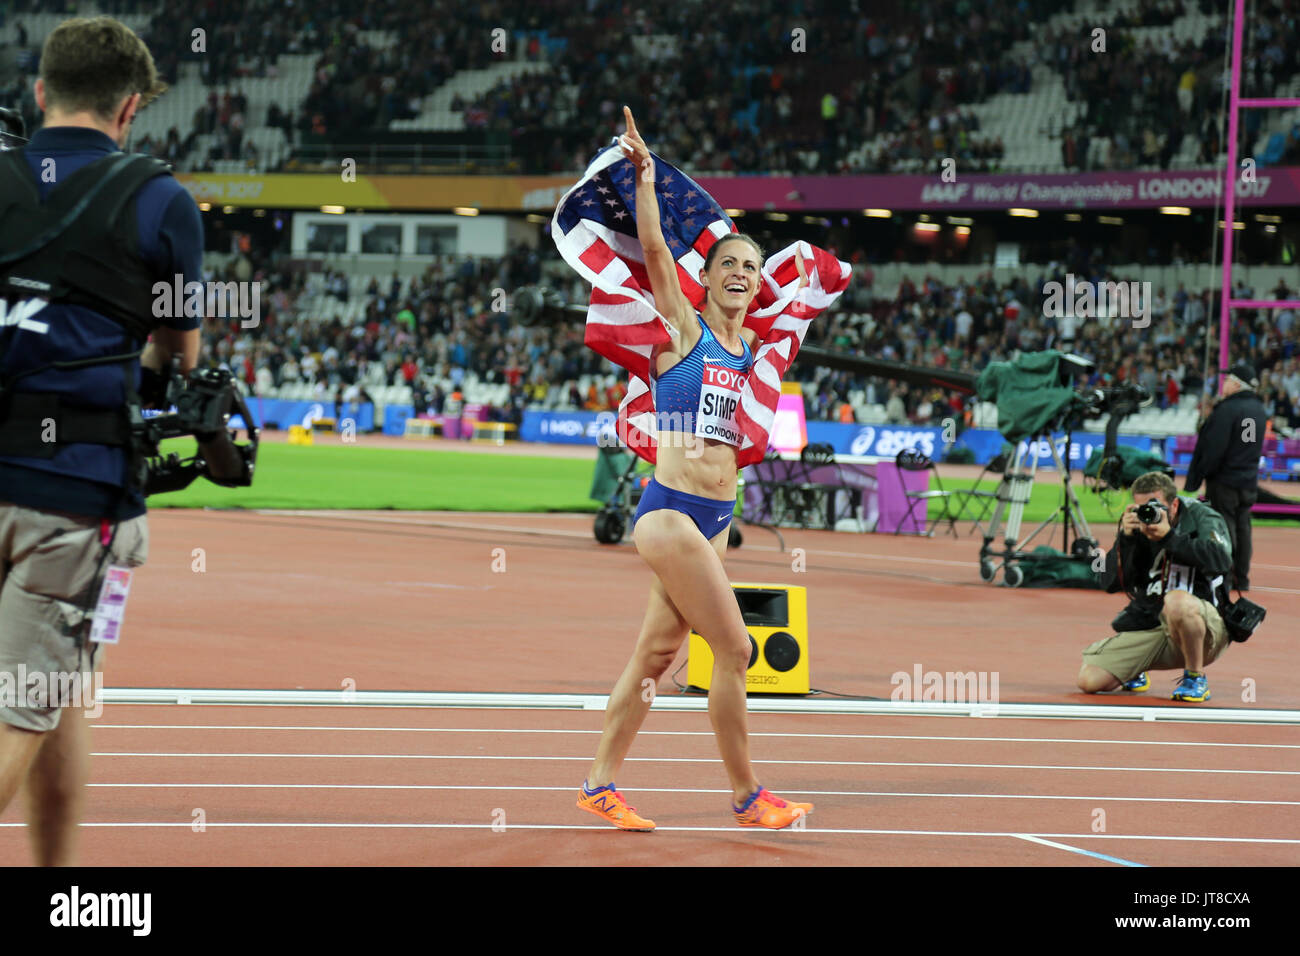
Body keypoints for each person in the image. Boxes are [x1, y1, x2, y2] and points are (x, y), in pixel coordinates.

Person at [575, 107, 813, 830]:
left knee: (652, 658)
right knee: (736, 649)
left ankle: (598, 783)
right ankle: (746, 795)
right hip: (670, 513)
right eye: (728, 265)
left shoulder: (747, 352)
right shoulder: (687, 330)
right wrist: (645, 176)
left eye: (750, 266)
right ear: (704, 281)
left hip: (714, 520)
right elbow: (652, 249)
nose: (740, 273)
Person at [0, 17, 202, 865]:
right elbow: (179, 352)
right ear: (131, 109)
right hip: (71, 493)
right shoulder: (159, 199)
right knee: (23, 705)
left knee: (62, 688)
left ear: (41, 92)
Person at [1077, 471, 1235, 703]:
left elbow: (1221, 560)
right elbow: (1109, 583)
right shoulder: (1139, 525)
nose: (1148, 513)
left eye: (1154, 505)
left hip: (1206, 628)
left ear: (1174, 504)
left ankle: (1194, 677)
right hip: (1156, 624)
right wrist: (1127, 540)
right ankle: (1137, 669)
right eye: (1142, 507)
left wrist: (1169, 538)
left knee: (1177, 601)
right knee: (1089, 680)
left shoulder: (1203, 517)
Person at [1184, 361, 1267, 590]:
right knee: (1243, 527)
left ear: (1237, 384)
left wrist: (1202, 474)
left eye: (1228, 380)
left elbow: (1214, 448)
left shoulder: (1228, 409)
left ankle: (1226, 579)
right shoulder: (1259, 409)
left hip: (1225, 480)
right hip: (1248, 479)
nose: (1224, 384)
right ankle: (1242, 577)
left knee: (1224, 528)